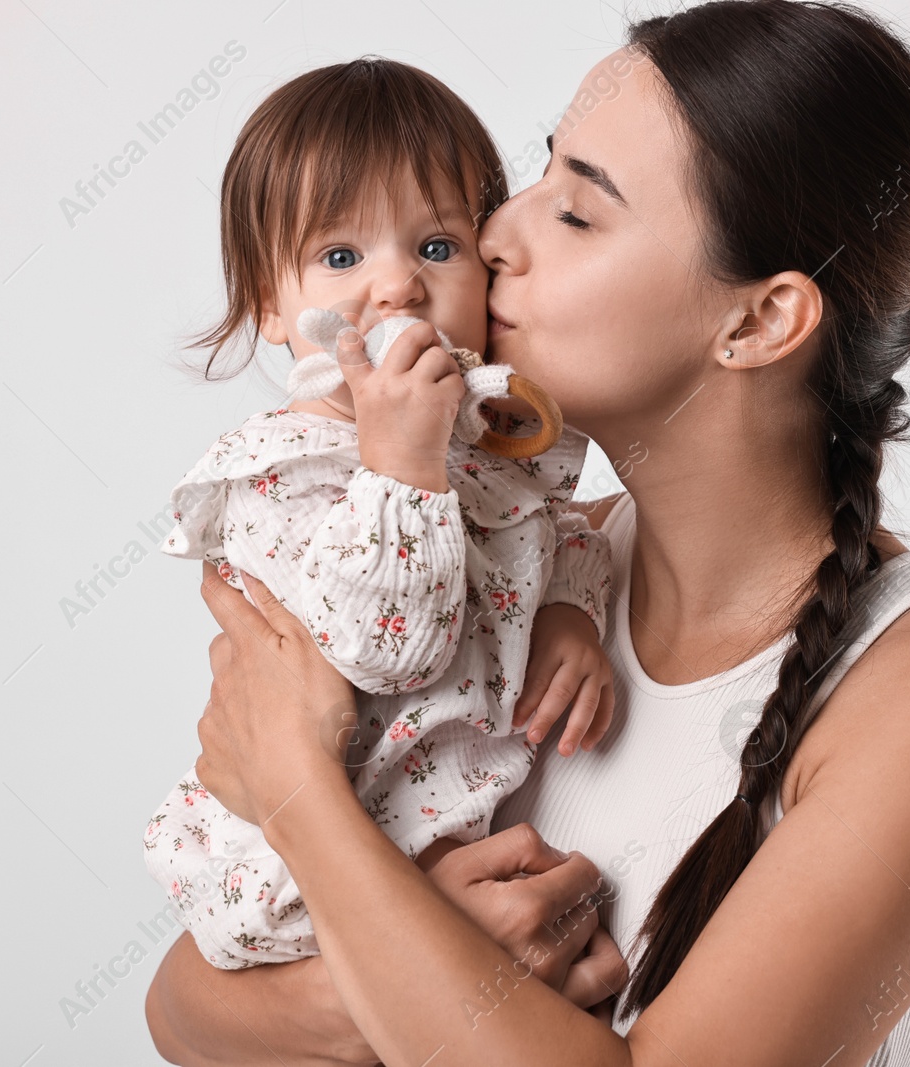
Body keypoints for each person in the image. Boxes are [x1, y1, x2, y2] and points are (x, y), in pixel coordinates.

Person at [146, 3, 910, 1064]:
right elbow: (180, 1006)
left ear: (758, 321)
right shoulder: (507, 573)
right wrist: (411, 951)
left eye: (576, 213)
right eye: (538, 173)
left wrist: (310, 801)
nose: (492, 236)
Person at [141, 57, 617, 970]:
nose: (396, 286)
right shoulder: (284, 471)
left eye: (436, 247)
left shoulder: (485, 449)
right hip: (288, 857)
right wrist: (399, 465)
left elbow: (564, 534)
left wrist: (567, 611)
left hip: (446, 824)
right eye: (341, 257)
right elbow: (386, 649)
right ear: (269, 304)